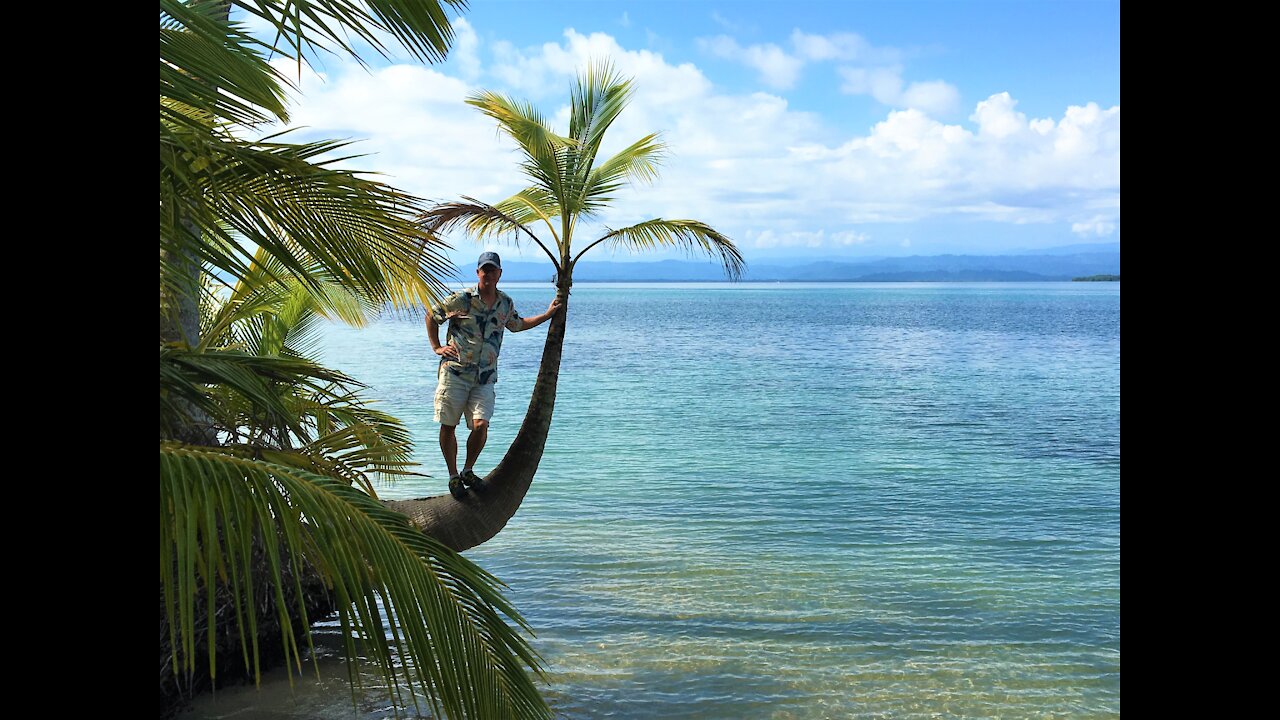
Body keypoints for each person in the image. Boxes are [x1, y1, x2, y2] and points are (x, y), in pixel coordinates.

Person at [427, 251, 562, 500]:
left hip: (485, 377)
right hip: (455, 372)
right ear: (478, 272)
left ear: (499, 274)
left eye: (493, 270)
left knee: (481, 425)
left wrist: (547, 315)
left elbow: (517, 324)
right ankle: (453, 475)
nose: (488, 274)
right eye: (484, 270)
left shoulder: (505, 303)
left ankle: (468, 470)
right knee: (449, 425)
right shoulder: (462, 299)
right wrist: (437, 347)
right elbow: (432, 316)